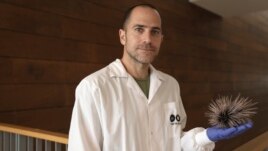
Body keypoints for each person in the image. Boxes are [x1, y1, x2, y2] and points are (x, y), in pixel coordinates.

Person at [67, 4, 252, 151]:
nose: (148, 39)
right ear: (122, 36)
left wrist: (207, 137)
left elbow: (174, 141)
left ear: (161, 39)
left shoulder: (170, 85)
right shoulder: (94, 87)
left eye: (155, 32)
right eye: (139, 29)